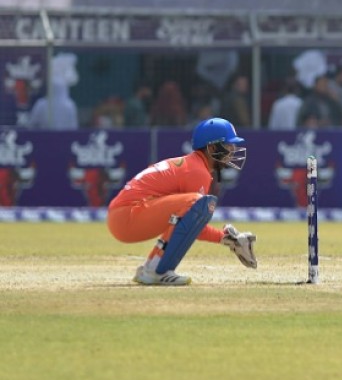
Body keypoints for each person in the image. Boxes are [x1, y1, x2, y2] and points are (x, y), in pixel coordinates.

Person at [107, 117, 258, 285]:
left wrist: (228, 239)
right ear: (212, 147)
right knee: (199, 203)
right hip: (127, 216)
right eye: (228, 145)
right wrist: (228, 239)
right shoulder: (197, 171)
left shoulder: (192, 165)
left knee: (197, 205)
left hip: (123, 215)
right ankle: (156, 271)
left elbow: (188, 223)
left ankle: (152, 268)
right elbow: (193, 221)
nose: (232, 150)